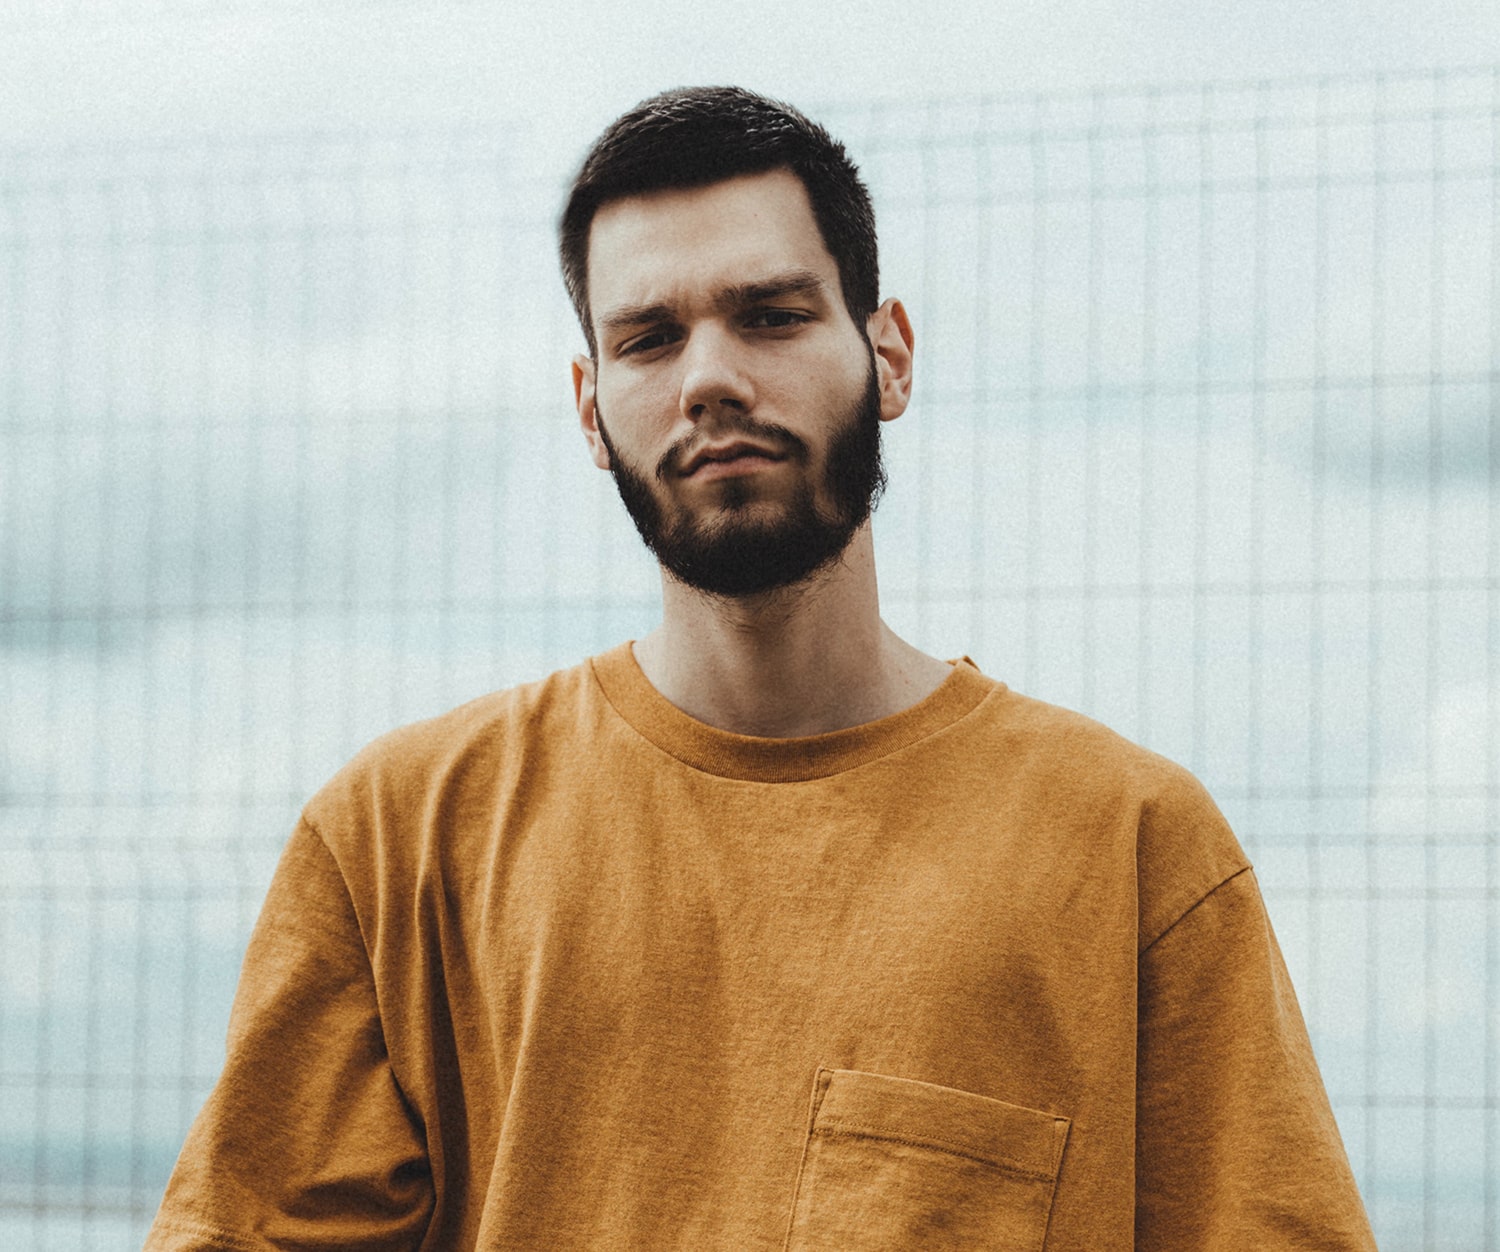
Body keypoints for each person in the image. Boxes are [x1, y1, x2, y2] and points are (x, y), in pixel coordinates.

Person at [147, 86, 1376, 1250]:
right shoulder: (399, 840)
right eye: (648, 339)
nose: (711, 379)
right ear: (590, 408)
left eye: (773, 316)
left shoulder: (1132, 847)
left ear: (890, 355)